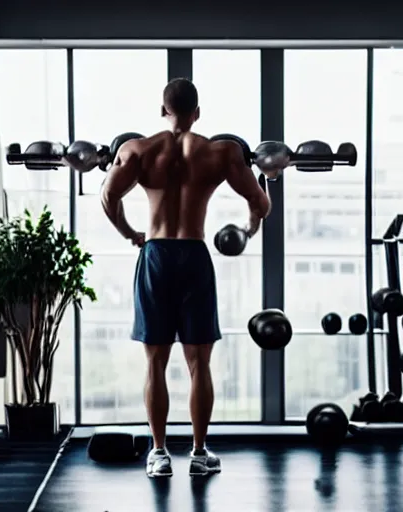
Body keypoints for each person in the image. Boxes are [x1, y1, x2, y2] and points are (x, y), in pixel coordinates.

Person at [100, 78, 271, 478]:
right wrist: (250, 226)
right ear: (197, 112)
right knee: (199, 363)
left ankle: (159, 454)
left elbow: (109, 198)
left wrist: (132, 235)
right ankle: (198, 453)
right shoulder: (221, 152)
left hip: (156, 254)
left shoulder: (138, 150)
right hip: (194, 255)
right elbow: (259, 203)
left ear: (163, 110)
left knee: (155, 361)